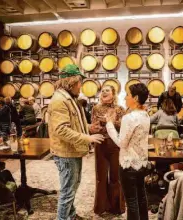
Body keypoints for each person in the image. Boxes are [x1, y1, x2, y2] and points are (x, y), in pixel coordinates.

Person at [48, 64, 104, 220]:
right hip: (65, 153)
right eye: (79, 82)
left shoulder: (69, 98)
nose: (81, 86)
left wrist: (89, 128)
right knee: (67, 191)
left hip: (72, 150)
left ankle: (71, 215)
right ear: (71, 82)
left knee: (73, 186)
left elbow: (74, 123)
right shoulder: (60, 100)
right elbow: (61, 130)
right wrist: (88, 138)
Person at [106, 83, 150, 220]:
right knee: (142, 198)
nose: (125, 98)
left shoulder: (129, 118)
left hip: (128, 164)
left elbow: (121, 143)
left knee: (131, 202)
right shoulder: (146, 115)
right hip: (142, 163)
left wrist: (109, 124)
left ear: (135, 98)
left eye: (128, 95)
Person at [90, 85, 125, 215]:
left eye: (107, 90)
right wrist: (95, 128)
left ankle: (116, 208)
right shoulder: (96, 108)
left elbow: (122, 126)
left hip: (115, 145)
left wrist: (109, 122)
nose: (104, 92)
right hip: (100, 143)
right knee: (101, 177)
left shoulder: (119, 109)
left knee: (116, 177)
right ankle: (101, 207)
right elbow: (94, 126)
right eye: (102, 90)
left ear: (113, 94)